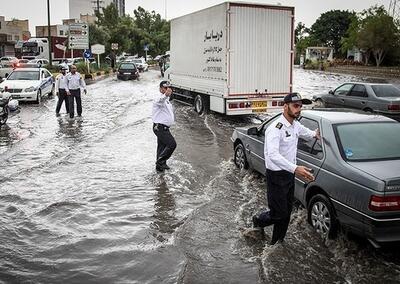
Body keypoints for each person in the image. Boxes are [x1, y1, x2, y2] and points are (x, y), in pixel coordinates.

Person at [252, 92, 320, 245]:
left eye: (300, 106)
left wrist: (317, 134)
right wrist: (295, 168)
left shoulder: (295, 125)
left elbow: (308, 134)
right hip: (276, 176)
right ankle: (258, 220)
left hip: (289, 174)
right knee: (278, 214)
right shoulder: (275, 129)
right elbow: (273, 155)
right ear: (285, 106)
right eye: (295, 106)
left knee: (287, 213)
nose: (299, 109)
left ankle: (277, 243)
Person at [152, 81, 177, 172]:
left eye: (169, 88)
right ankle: (160, 162)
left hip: (163, 128)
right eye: (165, 88)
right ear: (161, 89)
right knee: (172, 144)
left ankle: (159, 169)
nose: (168, 90)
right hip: (160, 128)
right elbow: (160, 100)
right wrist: (165, 95)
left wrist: (167, 96)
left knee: (161, 148)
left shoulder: (167, 100)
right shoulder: (158, 98)